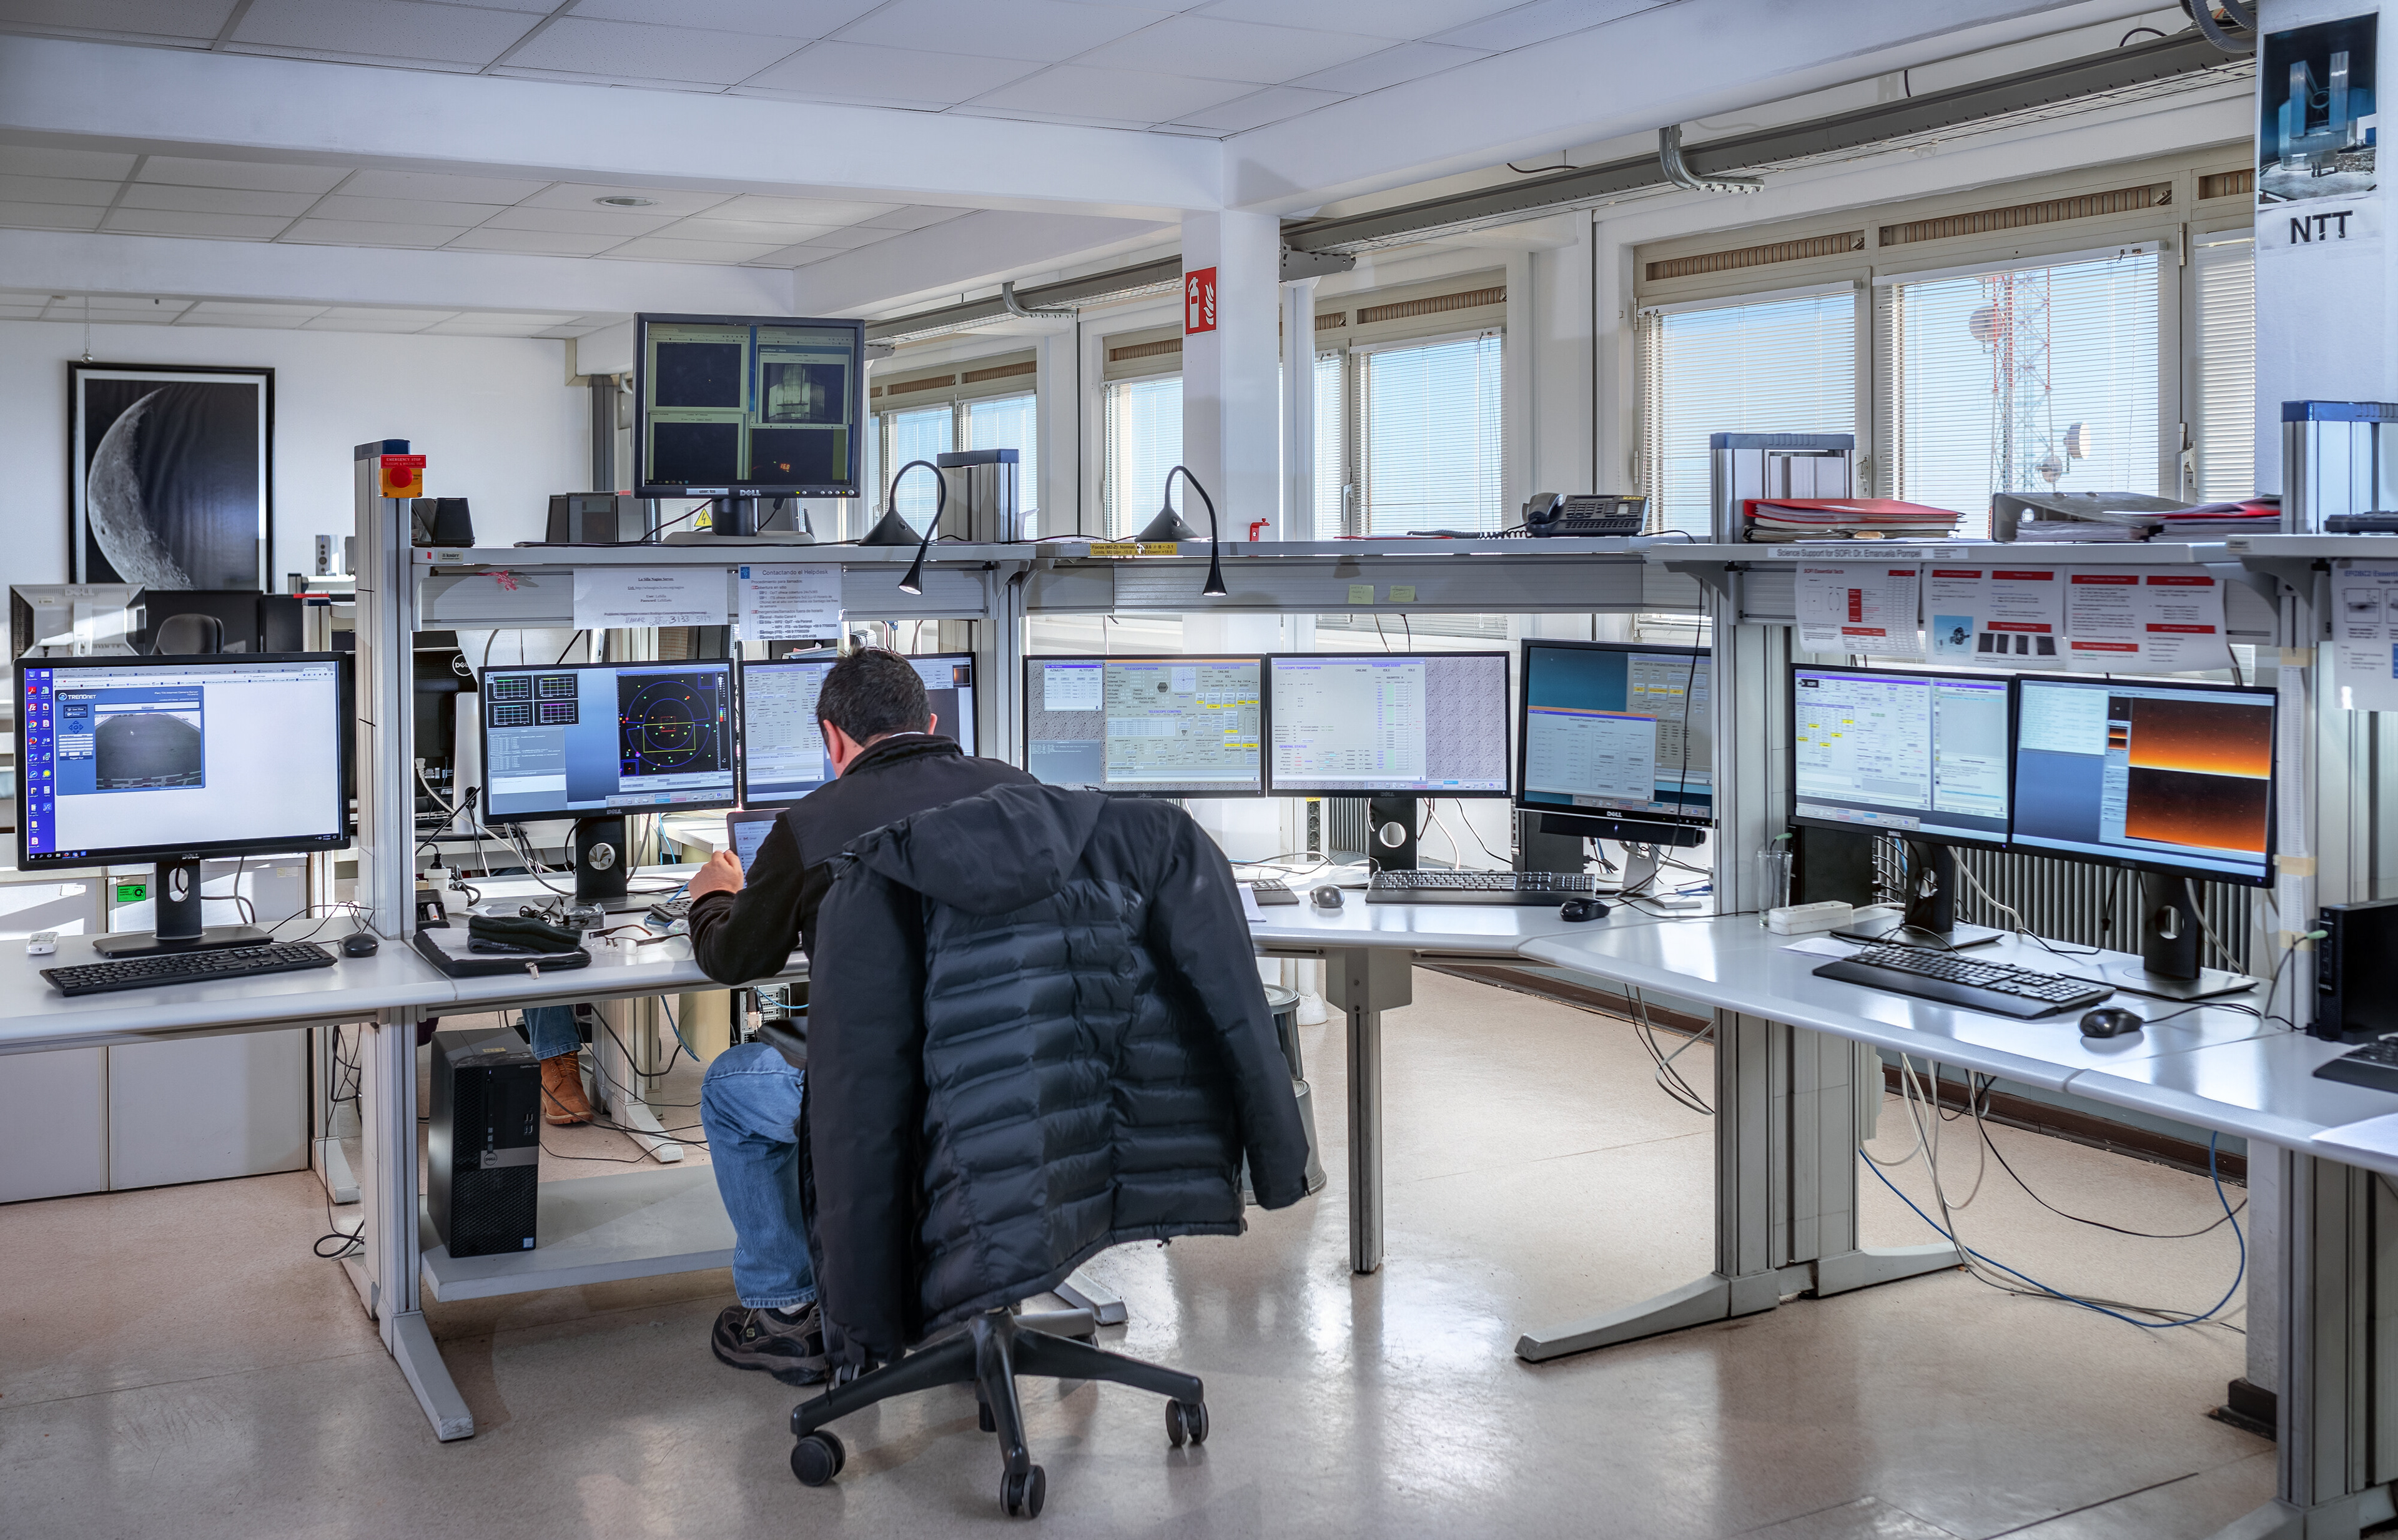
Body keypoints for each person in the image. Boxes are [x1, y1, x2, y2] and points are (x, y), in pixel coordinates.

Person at [683, 648, 1034, 1384]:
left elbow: (734, 960)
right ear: (931, 725)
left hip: (882, 1107)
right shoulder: (1021, 795)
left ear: (832, 738)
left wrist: (711, 897)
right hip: (1010, 1086)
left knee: (729, 1086)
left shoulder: (813, 825)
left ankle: (785, 1311)